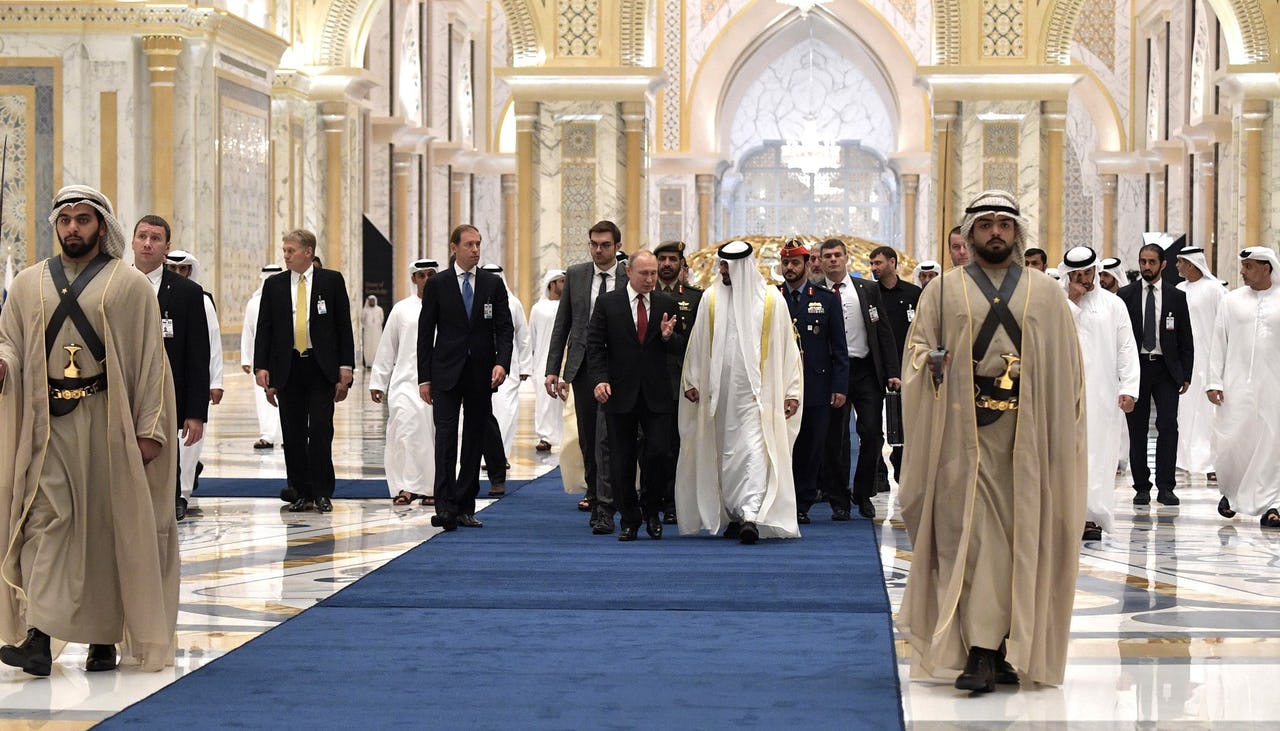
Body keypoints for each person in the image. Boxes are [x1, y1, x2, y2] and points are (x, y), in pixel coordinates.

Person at [897, 189, 1086, 692]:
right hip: (963, 442)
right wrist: (930, 365)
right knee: (976, 540)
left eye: (1004, 224)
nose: (995, 233)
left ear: (1016, 232)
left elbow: (1069, 375)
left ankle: (1000, 648)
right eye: (986, 225)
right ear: (968, 234)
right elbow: (916, 354)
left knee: (1023, 542)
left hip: (1027, 444)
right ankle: (981, 649)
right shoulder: (941, 292)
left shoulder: (1047, 295)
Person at [0, 185, 179, 676]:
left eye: (83, 220)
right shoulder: (28, 284)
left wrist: (150, 431)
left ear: (101, 225)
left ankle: (105, 636)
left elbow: (150, 365)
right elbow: (10, 342)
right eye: (65, 220)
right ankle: (38, 636)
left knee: (104, 532)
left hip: (107, 427)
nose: (73, 228)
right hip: (46, 428)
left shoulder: (129, 285)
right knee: (43, 522)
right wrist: (4, 365)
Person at [675, 241, 803, 544]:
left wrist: (792, 390)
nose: (722, 271)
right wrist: (691, 381)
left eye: (726, 266)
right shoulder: (711, 298)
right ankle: (734, 512)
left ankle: (750, 515)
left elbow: (789, 350)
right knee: (726, 455)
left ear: (742, 266)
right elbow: (698, 345)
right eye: (721, 265)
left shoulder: (772, 300)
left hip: (760, 396)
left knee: (755, 450)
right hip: (720, 396)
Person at [417, 225, 513, 531]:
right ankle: (444, 506)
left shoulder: (492, 284)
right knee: (445, 438)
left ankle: (464, 506)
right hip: (445, 373)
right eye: (469, 244)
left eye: (479, 244)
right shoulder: (438, 284)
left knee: (474, 439)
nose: (475, 249)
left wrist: (502, 363)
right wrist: (424, 378)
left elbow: (504, 328)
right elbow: (425, 334)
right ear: (454, 247)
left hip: (480, 374)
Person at [254, 229, 355, 514]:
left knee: (321, 429)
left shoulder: (330, 281)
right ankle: (301, 491)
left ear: (307, 252)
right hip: (288, 368)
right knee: (294, 433)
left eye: (290, 250)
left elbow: (343, 326)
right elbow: (266, 329)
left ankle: (323, 491)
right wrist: (262, 367)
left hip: (320, 367)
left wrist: (345, 368)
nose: (285, 255)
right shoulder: (274, 285)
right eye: (284, 250)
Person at [586, 250, 681, 541]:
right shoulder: (608, 303)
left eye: (653, 273)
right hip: (619, 393)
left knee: (658, 455)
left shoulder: (667, 302)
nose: (651, 279)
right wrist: (600, 380)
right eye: (645, 274)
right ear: (629, 272)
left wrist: (668, 336)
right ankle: (629, 519)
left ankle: (651, 512)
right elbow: (594, 345)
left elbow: (680, 346)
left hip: (657, 395)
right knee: (621, 460)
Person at [544, 220, 627, 533]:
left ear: (617, 246)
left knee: (615, 436)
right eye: (594, 244)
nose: (598, 250)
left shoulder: (628, 274)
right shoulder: (577, 274)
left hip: (620, 367)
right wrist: (554, 369)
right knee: (590, 436)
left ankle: (615, 496)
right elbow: (562, 324)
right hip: (584, 368)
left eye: (605, 244)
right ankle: (596, 496)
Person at [131, 217, 211, 522]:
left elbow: (197, 355)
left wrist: (196, 412)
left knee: (165, 453)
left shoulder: (188, 293)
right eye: (142, 236)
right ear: (133, 242)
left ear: (166, 247)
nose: (148, 243)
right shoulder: (115, 285)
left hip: (169, 388)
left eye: (155, 238)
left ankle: (171, 500)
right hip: (123, 389)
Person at [818, 238, 900, 520]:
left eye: (837, 255)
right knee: (835, 440)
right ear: (820, 260)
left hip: (865, 371)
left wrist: (892, 371)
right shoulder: (816, 292)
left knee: (872, 434)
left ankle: (863, 493)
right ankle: (838, 499)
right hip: (831, 374)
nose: (832, 260)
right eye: (827, 256)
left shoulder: (868, 289)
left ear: (846, 257)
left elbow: (883, 332)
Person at [1061, 247, 1138, 541]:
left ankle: (1092, 516)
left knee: (1100, 454)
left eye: (1087, 273)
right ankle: (1069, 515)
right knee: (1068, 453)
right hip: (1065, 393)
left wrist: (1129, 388)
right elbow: (1049, 334)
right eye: (1075, 274)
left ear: (1095, 270)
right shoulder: (1059, 303)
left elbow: (1126, 347)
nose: (1082, 279)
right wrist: (1073, 300)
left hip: (1104, 393)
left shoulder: (1113, 304)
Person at [1207, 246, 1280, 527]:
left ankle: (1273, 503)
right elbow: (1218, 342)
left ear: (1266, 268)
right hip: (1235, 385)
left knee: (1273, 442)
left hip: (1273, 386)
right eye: (1243, 266)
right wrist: (1214, 381)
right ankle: (1233, 492)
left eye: (1249, 267)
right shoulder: (1231, 301)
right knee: (1234, 440)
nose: (1242, 272)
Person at [1118, 243, 1194, 506]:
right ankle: (1141, 486)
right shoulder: (1125, 295)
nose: (1146, 267)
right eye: (1142, 261)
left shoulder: (1176, 297)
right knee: (1137, 429)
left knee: (1168, 426)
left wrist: (1186, 374)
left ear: (1162, 264)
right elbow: (1118, 337)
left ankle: (1166, 486)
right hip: (1136, 368)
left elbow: (1186, 338)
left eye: (1151, 262)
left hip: (1166, 370)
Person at [778, 241, 847, 524]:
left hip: (816, 385)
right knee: (782, 445)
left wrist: (839, 386)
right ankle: (781, 499)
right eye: (786, 263)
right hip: (780, 386)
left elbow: (838, 348)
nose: (790, 268)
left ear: (808, 265)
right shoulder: (772, 297)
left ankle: (802, 504)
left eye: (795, 263)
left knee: (811, 446)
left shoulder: (826, 299)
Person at [370, 259, 437, 506]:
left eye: (431, 274)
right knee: (404, 432)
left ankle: (431, 487)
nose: (427, 279)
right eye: (422, 275)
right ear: (414, 279)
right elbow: (388, 346)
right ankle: (405, 488)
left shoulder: (447, 306)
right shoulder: (402, 309)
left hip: (437, 384)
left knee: (431, 436)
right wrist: (378, 381)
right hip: (405, 383)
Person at [165, 249, 224, 519]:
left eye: (183, 270)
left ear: (190, 271)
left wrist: (216, 381)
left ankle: (183, 493)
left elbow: (210, 345)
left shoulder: (200, 299)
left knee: (188, 444)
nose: (178, 274)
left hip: (190, 383)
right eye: (173, 269)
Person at [653, 239, 703, 524]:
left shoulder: (694, 298)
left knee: (674, 445)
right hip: (647, 382)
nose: (667, 265)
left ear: (682, 264)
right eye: (663, 259)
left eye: (673, 259)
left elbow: (698, 345)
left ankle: (673, 501)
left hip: (678, 383)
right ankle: (652, 497)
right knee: (649, 446)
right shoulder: (643, 293)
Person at [869, 245, 920, 490]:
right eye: (872, 264)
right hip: (875, 367)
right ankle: (878, 471)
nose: (874, 268)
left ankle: (902, 467)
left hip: (907, 365)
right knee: (872, 425)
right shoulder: (870, 293)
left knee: (905, 421)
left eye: (878, 263)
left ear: (892, 262)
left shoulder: (913, 293)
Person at [480, 262, 531, 497]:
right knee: (485, 415)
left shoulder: (513, 304)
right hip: (480, 367)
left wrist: (525, 367)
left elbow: (522, 337)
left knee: (506, 412)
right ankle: (488, 457)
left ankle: (503, 455)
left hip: (507, 368)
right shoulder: (478, 300)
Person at [1174, 247, 1224, 479]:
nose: (1177, 266)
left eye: (1180, 262)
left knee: (1208, 413)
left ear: (1192, 265)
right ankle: (1185, 459)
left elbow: (1224, 325)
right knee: (1184, 410)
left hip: (1209, 358)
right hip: (1185, 360)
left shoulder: (1214, 290)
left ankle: (1211, 463)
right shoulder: (1179, 290)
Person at [241, 263, 284, 450]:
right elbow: (248, 332)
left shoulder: (289, 300)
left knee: (286, 399)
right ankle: (267, 435)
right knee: (262, 398)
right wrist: (246, 358)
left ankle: (285, 436)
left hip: (284, 359)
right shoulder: (254, 303)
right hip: (261, 360)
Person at [529, 269, 566, 452]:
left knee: (563, 402)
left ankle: (565, 437)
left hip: (565, 360)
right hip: (542, 361)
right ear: (551, 284)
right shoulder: (538, 308)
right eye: (561, 281)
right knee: (544, 402)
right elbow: (532, 337)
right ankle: (545, 437)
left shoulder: (568, 307)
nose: (564, 285)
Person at [361, 295, 384, 368]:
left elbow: (382, 319)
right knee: (368, 346)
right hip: (368, 332)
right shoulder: (365, 310)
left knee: (376, 346)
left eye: (373, 300)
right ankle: (368, 363)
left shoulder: (379, 309)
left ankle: (376, 363)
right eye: (370, 300)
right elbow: (362, 320)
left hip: (377, 332)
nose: (372, 302)